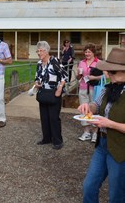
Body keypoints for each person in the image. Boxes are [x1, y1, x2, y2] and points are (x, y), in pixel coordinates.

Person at [78, 47, 125, 203]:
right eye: (108, 71)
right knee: (89, 187)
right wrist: (87, 107)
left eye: (112, 72)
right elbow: (95, 105)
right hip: (102, 145)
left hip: (120, 150)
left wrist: (109, 123)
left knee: (116, 195)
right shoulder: (108, 89)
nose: (108, 74)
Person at [33, 41, 68, 150]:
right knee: (44, 117)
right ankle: (46, 138)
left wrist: (59, 88)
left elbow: (64, 76)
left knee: (53, 118)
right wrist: (36, 83)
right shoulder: (39, 63)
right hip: (43, 93)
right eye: (38, 51)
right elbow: (37, 76)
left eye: (41, 50)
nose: (39, 53)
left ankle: (58, 141)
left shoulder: (54, 61)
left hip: (54, 93)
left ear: (47, 51)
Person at [76, 43, 102, 143]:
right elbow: (78, 78)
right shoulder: (81, 62)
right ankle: (86, 132)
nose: (87, 53)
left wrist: (94, 77)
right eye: (86, 52)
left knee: (95, 110)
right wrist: (78, 74)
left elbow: (106, 76)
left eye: (89, 52)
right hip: (83, 88)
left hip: (95, 89)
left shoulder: (99, 62)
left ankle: (95, 133)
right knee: (84, 109)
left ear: (93, 53)